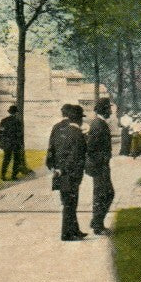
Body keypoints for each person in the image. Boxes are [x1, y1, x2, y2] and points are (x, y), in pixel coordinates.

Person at [47, 103, 87, 241]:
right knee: (70, 203)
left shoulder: (58, 128)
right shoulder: (76, 133)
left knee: (68, 202)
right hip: (69, 172)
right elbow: (75, 156)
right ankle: (67, 234)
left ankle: (74, 230)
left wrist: (53, 168)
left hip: (59, 171)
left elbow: (51, 148)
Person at [85, 99, 116, 235]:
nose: (110, 111)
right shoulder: (98, 124)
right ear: (104, 109)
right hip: (99, 166)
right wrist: (102, 160)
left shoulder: (99, 123)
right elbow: (91, 146)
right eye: (109, 109)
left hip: (101, 165)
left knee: (103, 194)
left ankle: (96, 221)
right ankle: (98, 225)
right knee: (105, 194)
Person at [0, 104, 27, 181]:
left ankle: (3, 175)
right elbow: (20, 135)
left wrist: (1, 143)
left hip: (7, 144)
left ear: (9, 112)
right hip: (15, 144)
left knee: (6, 160)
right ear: (16, 113)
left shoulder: (4, 121)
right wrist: (21, 144)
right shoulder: (18, 122)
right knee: (16, 160)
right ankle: (14, 176)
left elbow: (0, 133)